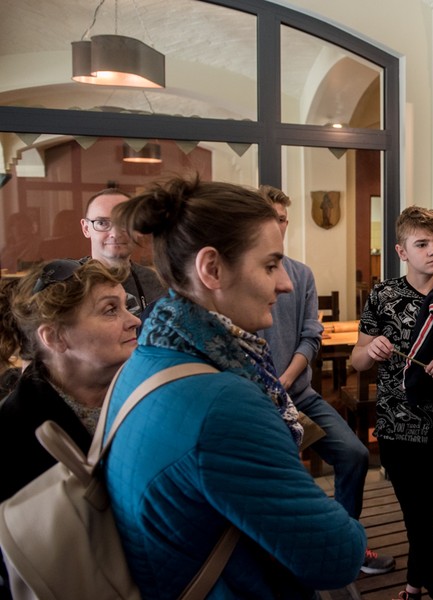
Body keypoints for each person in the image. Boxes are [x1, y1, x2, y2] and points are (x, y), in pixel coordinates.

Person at [102, 176, 367, 598]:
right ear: (212, 268)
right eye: (269, 265)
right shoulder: (224, 400)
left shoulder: (149, 357)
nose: (286, 283)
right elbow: (338, 555)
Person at [257, 184, 394, 576]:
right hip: (257, 400)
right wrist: (268, 387)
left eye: (282, 219)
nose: (277, 225)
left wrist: (286, 379)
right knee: (286, 477)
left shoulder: (300, 274)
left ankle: (346, 546)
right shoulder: (239, 275)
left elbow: (311, 334)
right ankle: (290, 559)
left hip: (299, 394)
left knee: (354, 454)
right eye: (269, 217)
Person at [350, 206, 433, 600]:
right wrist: (371, 349)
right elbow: (357, 361)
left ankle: (414, 587)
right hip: (394, 423)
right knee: (420, 517)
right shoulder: (383, 295)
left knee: (423, 514)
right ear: (402, 251)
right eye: (422, 243)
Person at [0, 259, 140, 502]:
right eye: (110, 310)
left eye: (126, 305)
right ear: (54, 337)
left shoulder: (143, 390)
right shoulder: (11, 436)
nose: (134, 321)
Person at [80, 188, 166, 315]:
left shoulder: (157, 282)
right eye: (102, 223)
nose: (115, 234)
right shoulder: (70, 285)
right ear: (86, 228)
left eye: (124, 223)